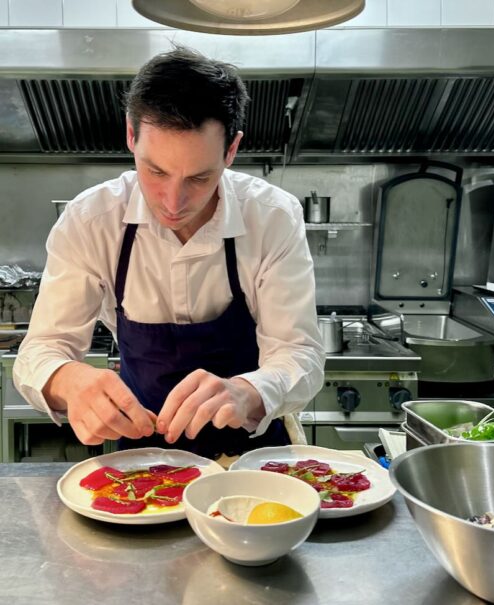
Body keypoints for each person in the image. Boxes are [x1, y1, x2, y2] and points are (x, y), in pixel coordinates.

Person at [13, 45, 325, 460]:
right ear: (131, 135)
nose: (173, 202)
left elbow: (300, 352)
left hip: (255, 453)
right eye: (155, 171)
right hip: (143, 454)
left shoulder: (272, 217)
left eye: (199, 177)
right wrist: (68, 381)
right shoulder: (90, 220)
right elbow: (40, 349)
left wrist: (249, 391)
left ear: (231, 151)